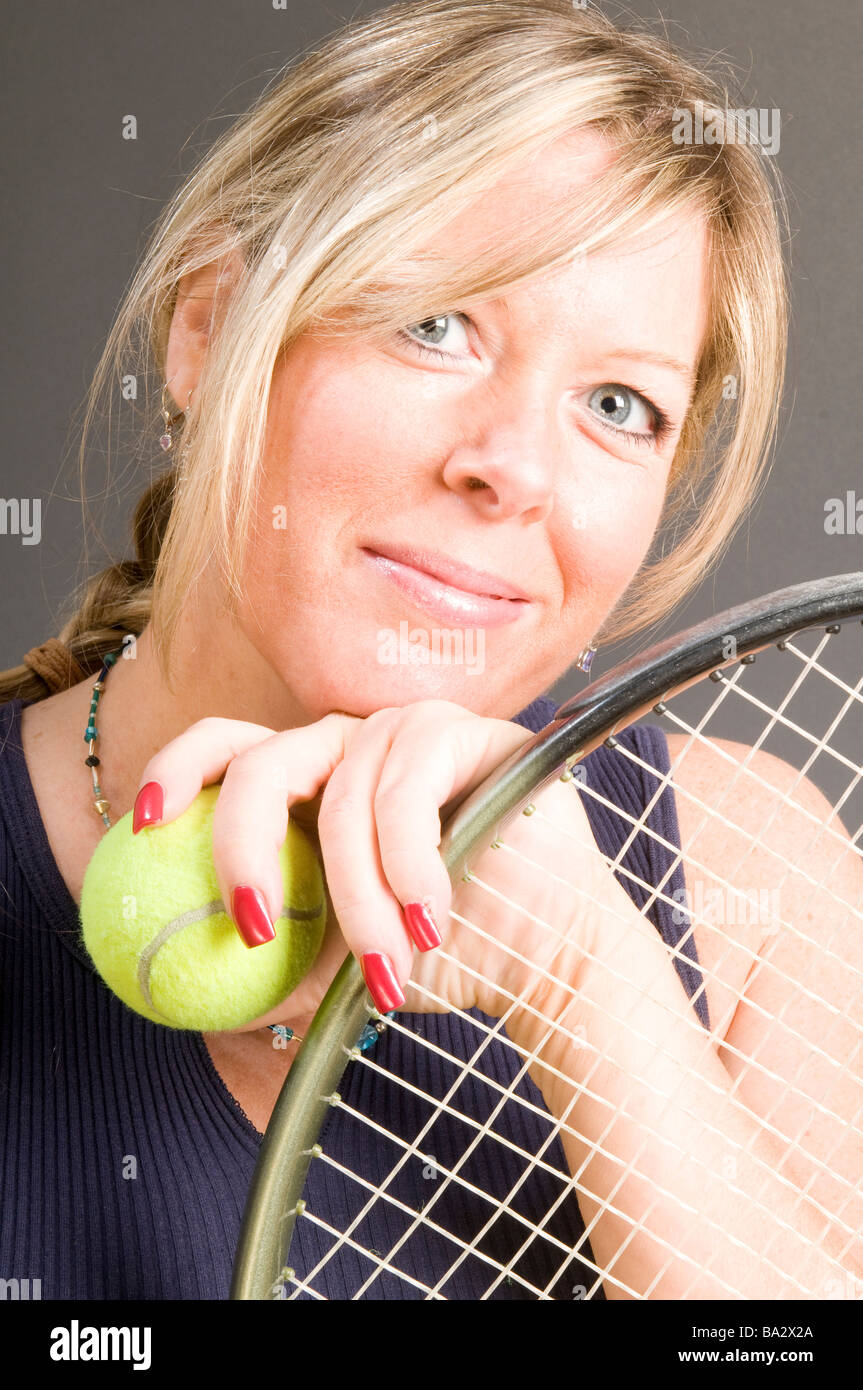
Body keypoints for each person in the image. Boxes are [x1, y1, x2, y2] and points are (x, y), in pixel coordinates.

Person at [1, 0, 859, 1301]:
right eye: (438, 325)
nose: (511, 468)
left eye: (619, 406)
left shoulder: (755, 888)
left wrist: (582, 977)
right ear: (208, 324)